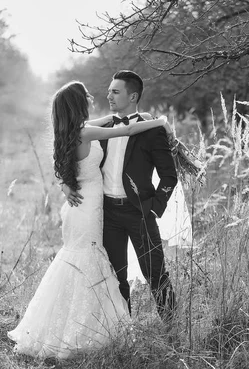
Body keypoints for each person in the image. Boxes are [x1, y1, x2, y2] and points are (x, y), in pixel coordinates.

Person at [7, 81, 172, 359]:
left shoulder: (70, 131)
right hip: (93, 209)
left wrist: (64, 184)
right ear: (77, 104)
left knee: (91, 265)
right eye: (86, 96)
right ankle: (95, 332)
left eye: (113, 91)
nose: (97, 96)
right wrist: (161, 122)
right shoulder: (87, 131)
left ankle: (159, 326)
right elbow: (127, 129)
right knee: (96, 267)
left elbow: (114, 123)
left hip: (88, 209)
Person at [64, 70, 178, 324]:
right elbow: (65, 150)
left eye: (116, 92)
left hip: (140, 212)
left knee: (156, 273)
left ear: (133, 96)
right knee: (116, 276)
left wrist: (153, 208)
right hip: (107, 213)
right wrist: (64, 183)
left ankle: (172, 328)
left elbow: (169, 176)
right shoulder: (102, 127)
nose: (109, 96)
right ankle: (122, 329)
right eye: (109, 91)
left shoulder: (150, 131)